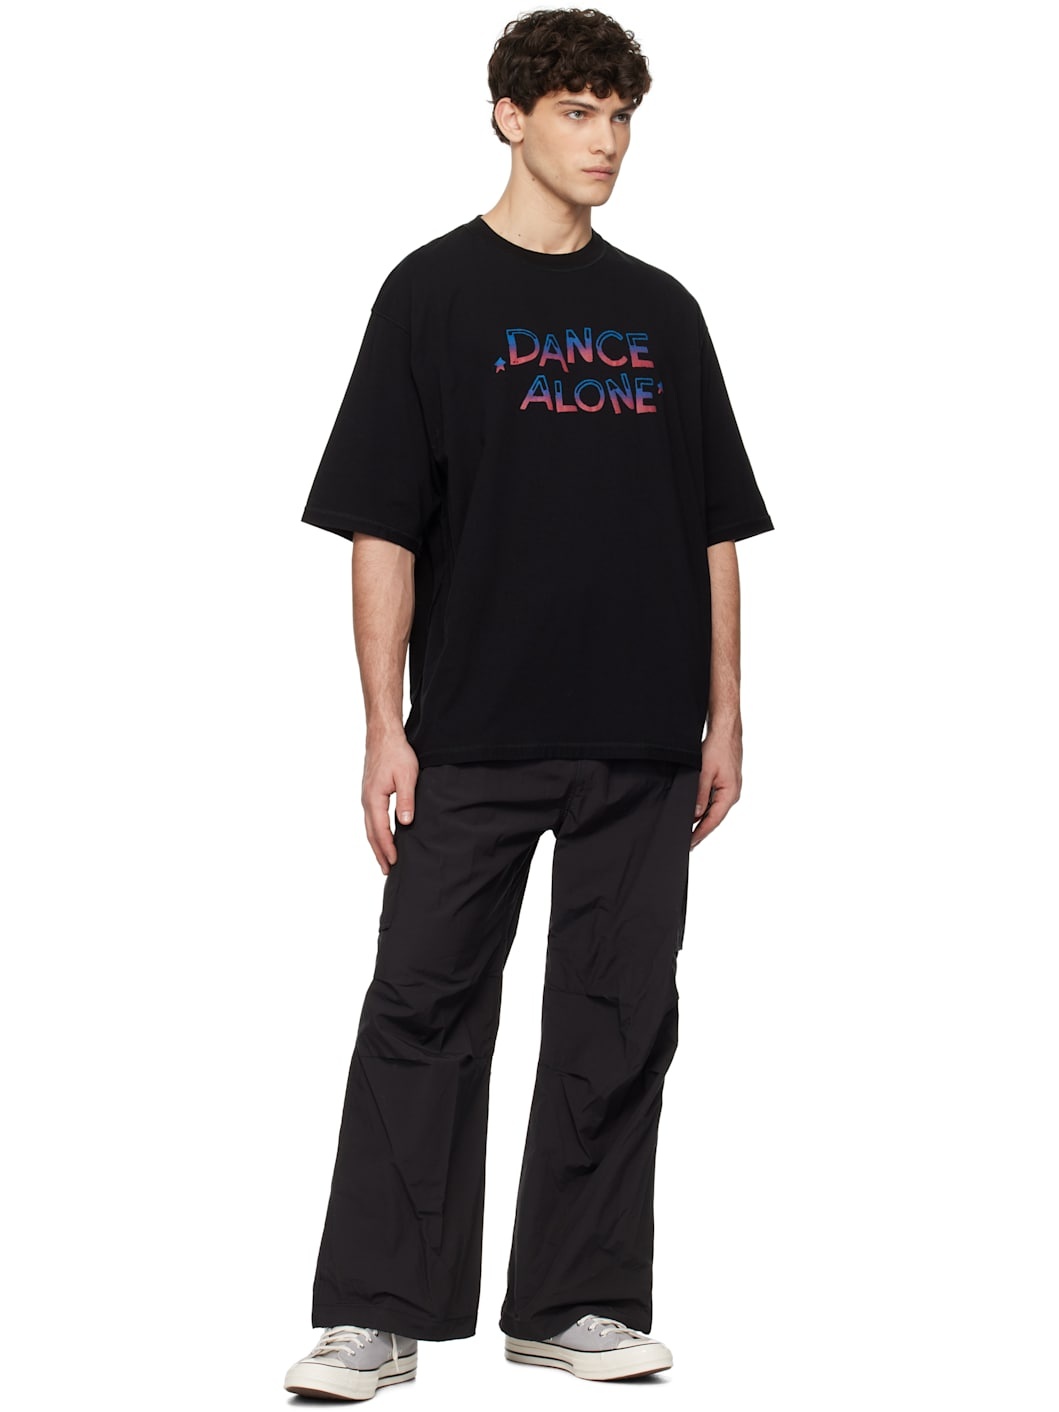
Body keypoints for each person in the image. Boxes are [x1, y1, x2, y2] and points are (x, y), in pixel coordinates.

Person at [284, 6, 775, 1400]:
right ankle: (375, 1312)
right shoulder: (430, 294)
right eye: (577, 112)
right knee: (422, 1007)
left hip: (643, 735)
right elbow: (383, 525)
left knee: (620, 1021)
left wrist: (726, 714)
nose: (606, 140)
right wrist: (383, 723)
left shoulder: (664, 311)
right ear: (509, 116)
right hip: (476, 730)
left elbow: (714, 526)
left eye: (621, 116)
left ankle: (576, 1301)